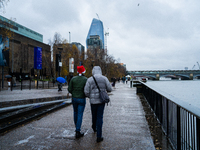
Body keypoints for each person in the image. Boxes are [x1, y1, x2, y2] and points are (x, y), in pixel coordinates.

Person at [84, 66, 112, 143]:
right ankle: (99, 136)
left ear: (93, 71)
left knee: (94, 115)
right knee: (100, 117)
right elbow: (109, 89)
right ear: (100, 71)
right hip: (101, 101)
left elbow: (86, 91)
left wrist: (91, 97)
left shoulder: (89, 79)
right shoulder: (104, 79)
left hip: (93, 102)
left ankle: (94, 126)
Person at [68, 65, 87, 138]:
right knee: (80, 114)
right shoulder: (85, 79)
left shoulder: (73, 79)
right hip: (82, 98)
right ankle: (78, 130)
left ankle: (77, 126)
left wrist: (73, 93)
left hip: (74, 98)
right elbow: (87, 89)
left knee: (75, 112)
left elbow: (69, 89)